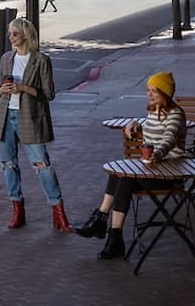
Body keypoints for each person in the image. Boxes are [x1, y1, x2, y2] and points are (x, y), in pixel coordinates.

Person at [74, 71, 187, 259]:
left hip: (169, 174)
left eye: (154, 91)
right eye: (148, 90)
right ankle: (106, 226)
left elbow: (168, 139)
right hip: (151, 171)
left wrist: (156, 155)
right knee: (118, 173)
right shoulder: (154, 111)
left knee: (125, 178)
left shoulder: (175, 114)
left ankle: (108, 231)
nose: (149, 94)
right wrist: (134, 123)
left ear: (165, 93)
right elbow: (152, 128)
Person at [0, 17, 72, 232]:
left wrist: (23, 88)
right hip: (6, 116)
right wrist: (3, 89)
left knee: (42, 165)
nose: (11, 37)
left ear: (26, 35)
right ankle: (17, 210)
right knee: (8, 164)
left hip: (29, 117)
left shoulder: (40, 60)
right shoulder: (7, 58)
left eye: (14, 33)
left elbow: (49, 94)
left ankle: (58, 211)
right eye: (9, 33)